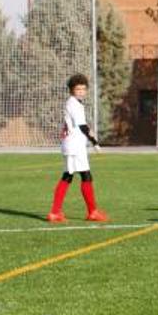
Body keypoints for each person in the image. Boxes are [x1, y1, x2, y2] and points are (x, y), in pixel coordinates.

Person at [47, 73, 107, 223]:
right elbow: (82, 126)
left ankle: (56, 212)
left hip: (72, 145)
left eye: (83, 89)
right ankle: (92, 212)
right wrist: (95, 142)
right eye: (77, 89)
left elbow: (82, 125)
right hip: (74, 146)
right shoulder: (73, 103)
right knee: (84, 176)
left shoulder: (75, 103)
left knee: (68, 177)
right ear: (71, 90)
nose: (81, 91)